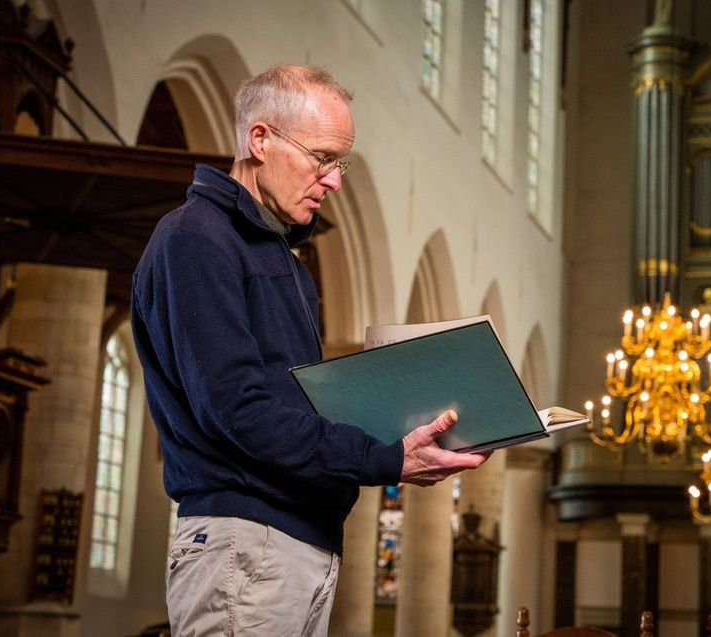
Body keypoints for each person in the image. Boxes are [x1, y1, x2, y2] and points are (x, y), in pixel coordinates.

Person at [131, 64, 489, 636]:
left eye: (338, 162)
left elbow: (303, 408)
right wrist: (387, 458)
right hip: (245, 543)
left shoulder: (285, 263)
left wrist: (414, 428)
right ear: (260, 139)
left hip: (296, 544)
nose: (334, 180)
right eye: (322, 157)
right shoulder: (196, 237)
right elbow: (238, 411)